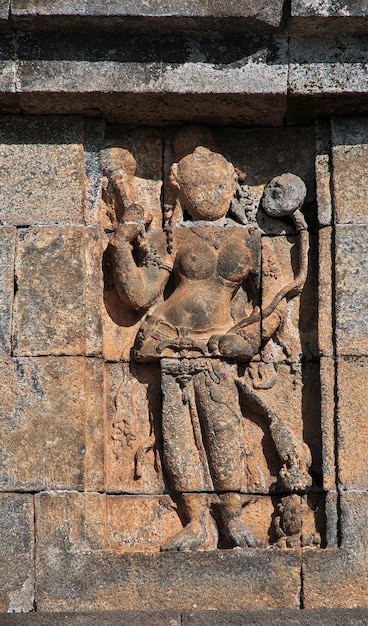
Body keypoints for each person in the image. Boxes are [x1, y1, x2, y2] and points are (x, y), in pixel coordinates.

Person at [109, 132, 311, 550]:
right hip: (172, 341)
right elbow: (140, 296)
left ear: (233, 185)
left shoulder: (251, 240)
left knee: (224, 431)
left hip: (221, 347)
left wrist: (250, 338)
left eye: (217, 184)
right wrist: (120, 247)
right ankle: (196, 520)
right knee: (178, 434)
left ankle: (234, 516)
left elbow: (272, 301)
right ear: (179, 191)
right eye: (197, 186)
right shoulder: (172, 238)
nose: (209, 194)